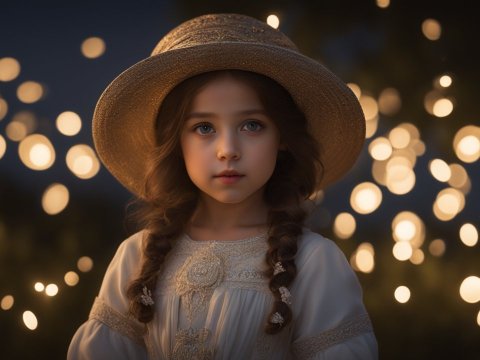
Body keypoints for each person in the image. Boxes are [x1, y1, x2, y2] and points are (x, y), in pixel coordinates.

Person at [67, 13, 378, 359]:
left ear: (283, 138)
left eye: (252, 125)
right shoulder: (135, 258)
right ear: (176, 142)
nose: (228, 149)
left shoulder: (315, 263)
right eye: (203, 128)